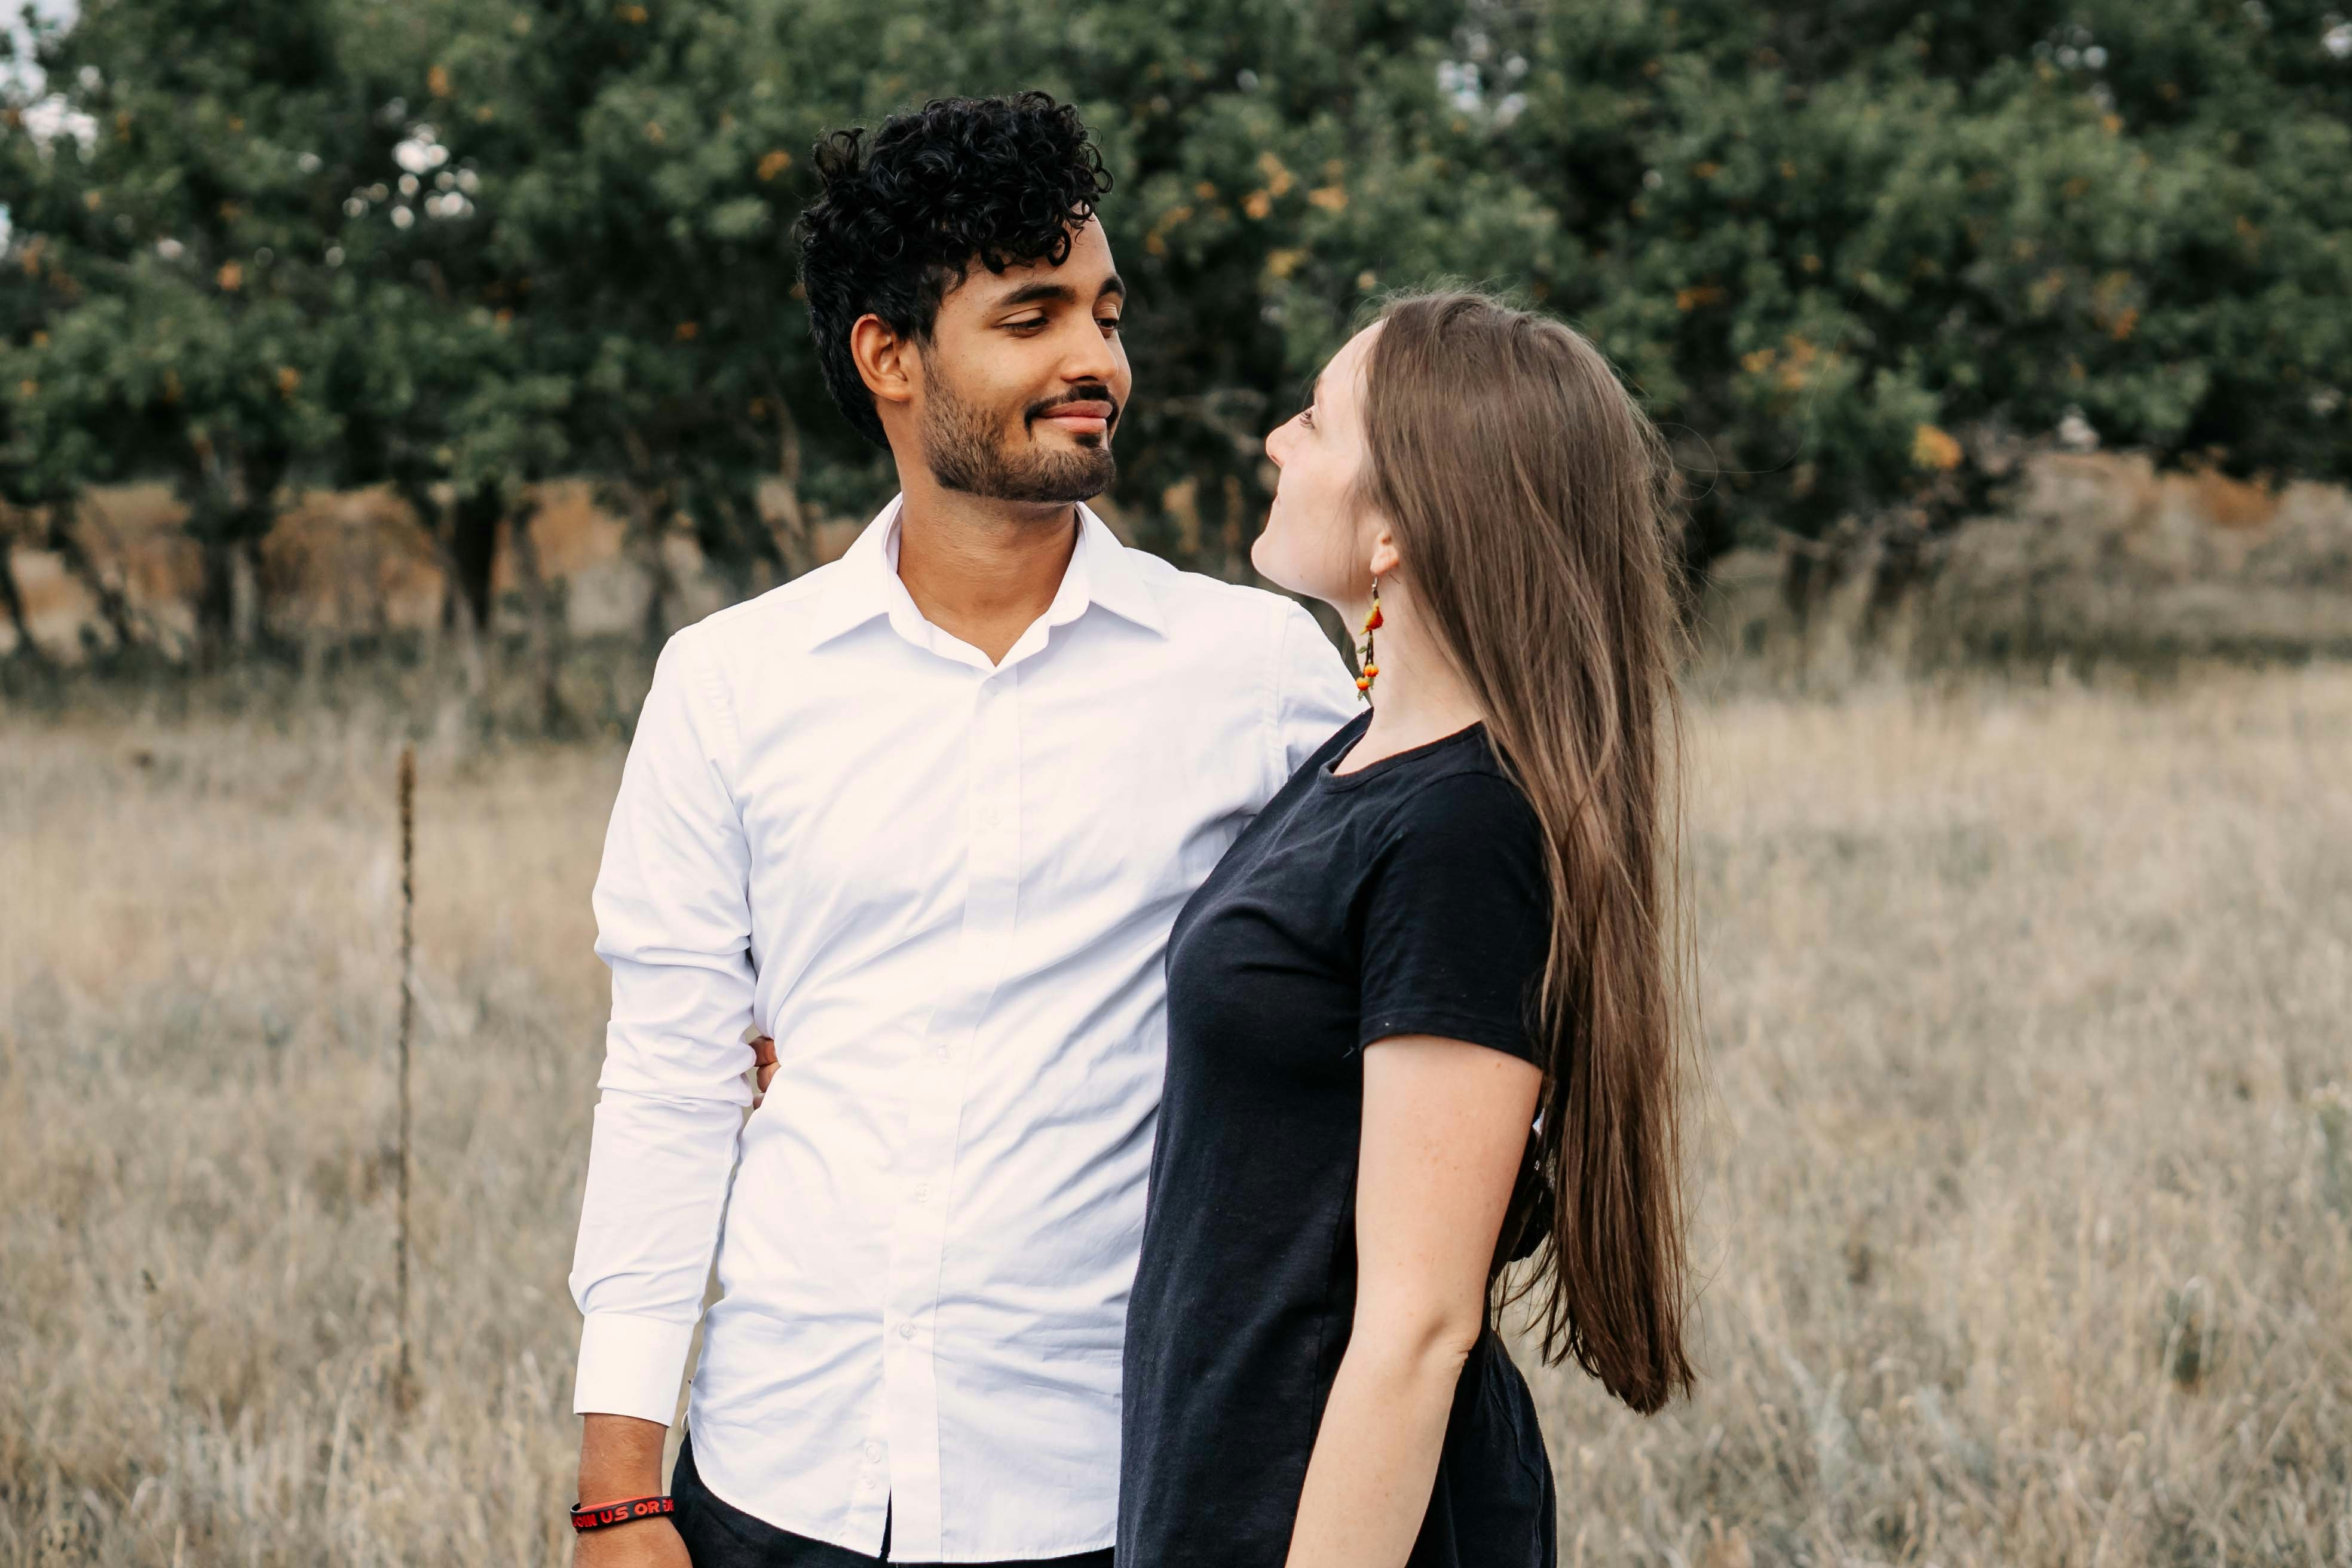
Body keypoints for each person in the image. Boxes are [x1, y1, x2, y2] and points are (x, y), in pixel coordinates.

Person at [563, 93, 1358, 1567]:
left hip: (1111, 1484)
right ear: (890, 356)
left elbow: (1372, 1028)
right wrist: (620, 1485)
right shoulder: (730, 682)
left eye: (1107, 313)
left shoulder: (1256, 676)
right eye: (1031, 314)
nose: (1097, 361)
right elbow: (670, 1079)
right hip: (779, 1474)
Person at [1114, 290, 1700, 1568]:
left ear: (1395, 528)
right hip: (1229, 1473)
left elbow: (1421, 1325)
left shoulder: (1462, 831)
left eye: (1316, 422)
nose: (1275, 440)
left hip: (1343, 1517)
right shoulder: (1363, 760)